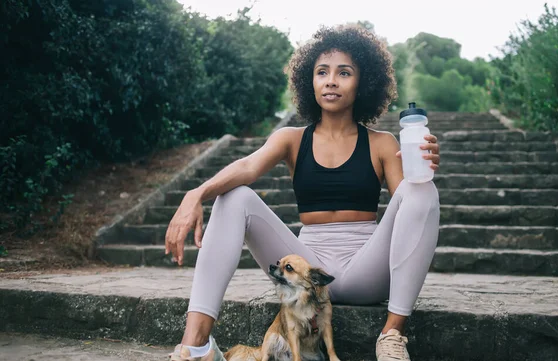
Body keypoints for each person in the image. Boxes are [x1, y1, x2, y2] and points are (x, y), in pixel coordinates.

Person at [165, 25, 441, 361]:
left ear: (363, 83)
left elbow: (410, 209)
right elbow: (247, 167)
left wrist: (421, 168)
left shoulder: (383, 143)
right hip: (308, 274)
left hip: (367, 270)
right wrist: (196, 193)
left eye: (344, 73)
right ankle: (196, 346)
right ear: (308, 82)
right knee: (235, 196)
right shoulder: (291, 139)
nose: (331, 81)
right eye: (322, 72)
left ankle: (392, 335)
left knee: (422, 191)